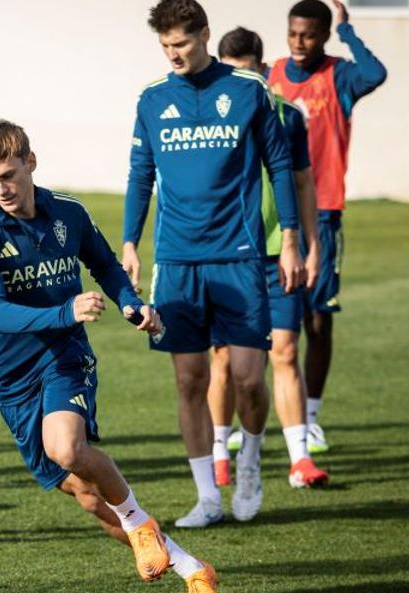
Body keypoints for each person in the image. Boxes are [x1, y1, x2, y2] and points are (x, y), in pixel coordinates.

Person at [0, 119, 219, 593]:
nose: (3, 188)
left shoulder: (68, 214)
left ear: (30, 163)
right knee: (86, 497)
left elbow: (105, 265)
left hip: (63, 359)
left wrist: (130, 303)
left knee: (67, 448)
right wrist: (66, 309)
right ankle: (191, 569)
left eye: (10, 175)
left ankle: (140, 525)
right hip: (11, 380)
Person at [122, 0, 305, 527]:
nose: (173, 54)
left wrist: (289, 238)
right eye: (165, 47)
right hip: (178, 261)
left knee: (249, 378)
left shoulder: (248, 92)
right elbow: (140, 175)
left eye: (180, 43)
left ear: (204, 34)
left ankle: (250, 461)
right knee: (189, 379)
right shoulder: (153, 101)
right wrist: (131, 241)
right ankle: (207, 496)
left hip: (240, 257)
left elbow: (280, 168)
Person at [208, 26, 329, 495]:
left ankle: (300, 459)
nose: (242, 82)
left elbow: (303, 182)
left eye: (250, 73)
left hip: (279, 254)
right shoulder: (211, 122)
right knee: (223, 361)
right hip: (227, 256)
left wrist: (310, 243)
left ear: (264, 69)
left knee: (284, 352)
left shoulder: (288, 117)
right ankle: (220, 453)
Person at [269, 0, 387, 453]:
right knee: (274, 324)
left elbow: (375, 73)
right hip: (276, 214)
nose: (300, 43)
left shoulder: (341, 76)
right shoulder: (271, 76)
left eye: (310, 34)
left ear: (323, 35)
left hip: (322, 212)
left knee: (317, 321)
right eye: (294, 33)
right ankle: (267, 413)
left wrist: (348, 31)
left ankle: (311, 418)